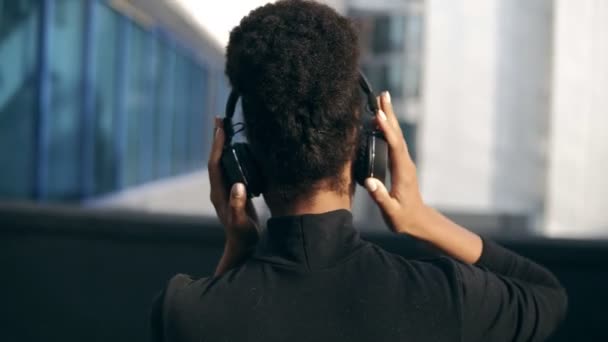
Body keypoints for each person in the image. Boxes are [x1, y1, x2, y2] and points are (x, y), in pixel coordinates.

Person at [150, 1, 567, 341]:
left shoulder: (184, 312)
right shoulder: (450, 298)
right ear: (369, 150)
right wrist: (421, 218)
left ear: (240, 163)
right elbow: (547, 295)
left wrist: (236, 253)